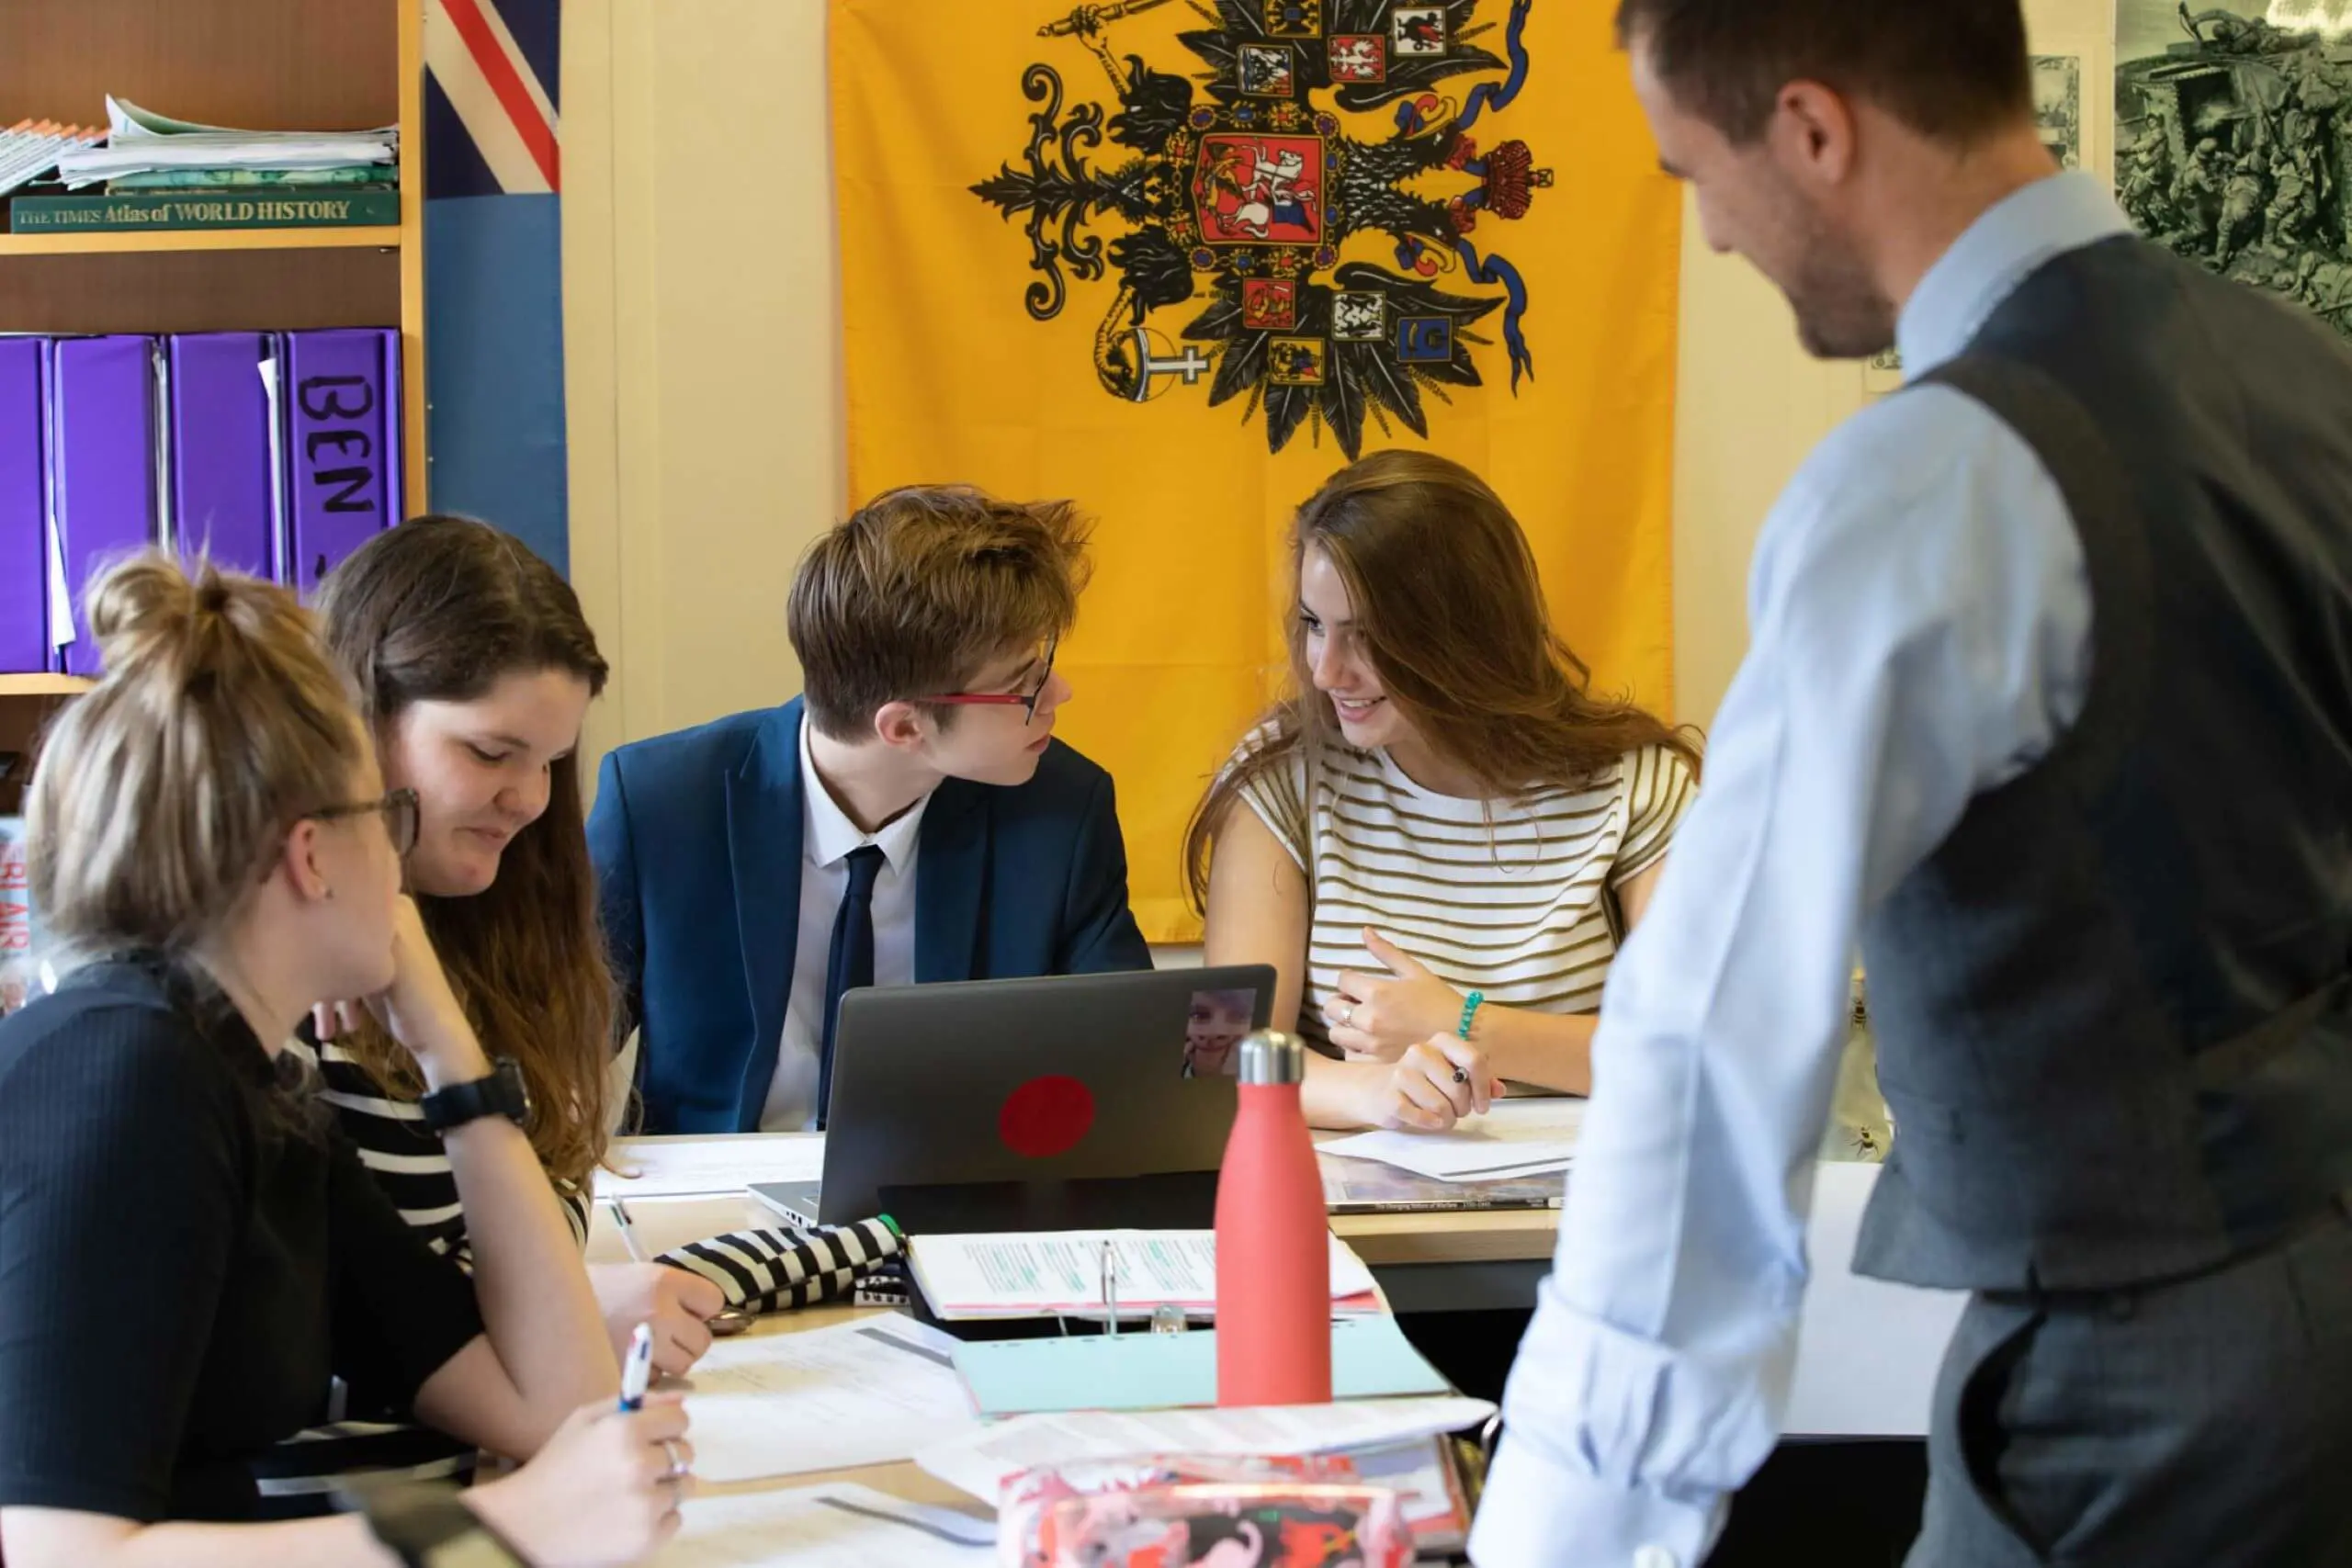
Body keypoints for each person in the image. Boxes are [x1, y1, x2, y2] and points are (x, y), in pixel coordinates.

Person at [1474, 4, 2352, 1565]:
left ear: (1814, 131)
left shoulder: (1927, 485)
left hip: (2145, 1393)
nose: (1719, 236)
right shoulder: (2304, 375)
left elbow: (1710, 1055)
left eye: (1696, 172)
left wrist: (1560, 1531)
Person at [0, 555, 687, 1568]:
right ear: (313, 854)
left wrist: (450, 1056)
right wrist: (514, 1523)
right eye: (386, 817)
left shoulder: (256, 1084)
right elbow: (64, 1553)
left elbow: (556, 1408)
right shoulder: (130, 1071)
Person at [245, 516, 725, 1515]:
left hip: (491, 1472)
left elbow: (535, 1247)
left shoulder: (497, 930)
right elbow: (295, 1340)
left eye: (548, 760)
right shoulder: (269, 982)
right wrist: (559, 1313)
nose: (527, 800)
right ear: (356, 720)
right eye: (491, 751)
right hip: (345, 1511)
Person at [591, 484, 1153, 1134]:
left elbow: (1129, 1052)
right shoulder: (663, 803)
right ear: (904, 728)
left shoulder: (1062, 807)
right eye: (1024, 685)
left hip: (950, 1195)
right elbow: (554, 1047)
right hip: (711, 1197)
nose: (1060, 691)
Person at [1186, 451, 1699, 1133]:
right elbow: (1221, 1057)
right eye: (1315, 623)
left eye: (1366, 636)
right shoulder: (1279, 777)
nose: (1325, 668)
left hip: (1592, 1205)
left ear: (1465, 634)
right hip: (1358, 1213)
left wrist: (1469, 1025)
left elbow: (1700, 1052)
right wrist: (1375, 1092)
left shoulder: (1640, 783)